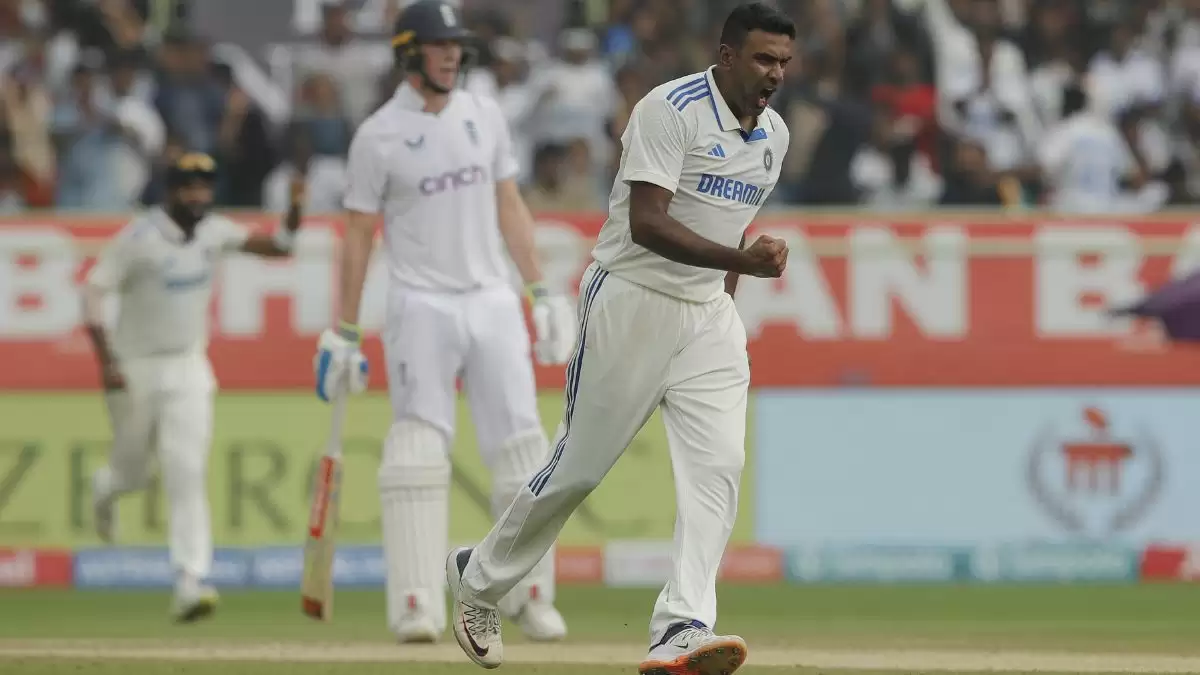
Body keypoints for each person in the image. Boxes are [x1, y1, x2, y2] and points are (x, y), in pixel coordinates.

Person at [445, 3, 793, 674]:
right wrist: (742, 261)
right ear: (726, 56)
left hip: (708, 315)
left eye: (782, 61)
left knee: (720, 466)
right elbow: (646, 223)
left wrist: (726, 295)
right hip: (632, 297)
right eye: (762, 58)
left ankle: (681, 624)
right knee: (579, 467)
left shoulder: (773, 135)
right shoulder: (669, 110)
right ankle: (479, 578)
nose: (774, 73)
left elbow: (731, 227)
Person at [311, 0, 577, 645]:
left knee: (522, 447)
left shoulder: (484, 113)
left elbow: (508, 203)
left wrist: (540, 290)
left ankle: (528, 593)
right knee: (418, 449)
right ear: (409, 53)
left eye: (457, 44)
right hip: (419, 304)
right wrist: (344, 329)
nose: (453, 54)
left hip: (491, 298)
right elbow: (357, 234)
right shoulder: (378, 135)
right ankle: (416, 603)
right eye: (439, 44)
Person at [82, 152, 306, 621]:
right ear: (171, 191)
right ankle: (105, 489)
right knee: (132, 474)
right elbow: (93, 290)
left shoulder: (214, 231)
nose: (198, 195)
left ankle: (190, 579)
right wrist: (106, 361)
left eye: (204, 186)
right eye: (189, 186)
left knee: (185, 470)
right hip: (135, 368)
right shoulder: (139, 239)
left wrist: (295, 210)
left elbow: (280, 246)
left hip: (188, 367)